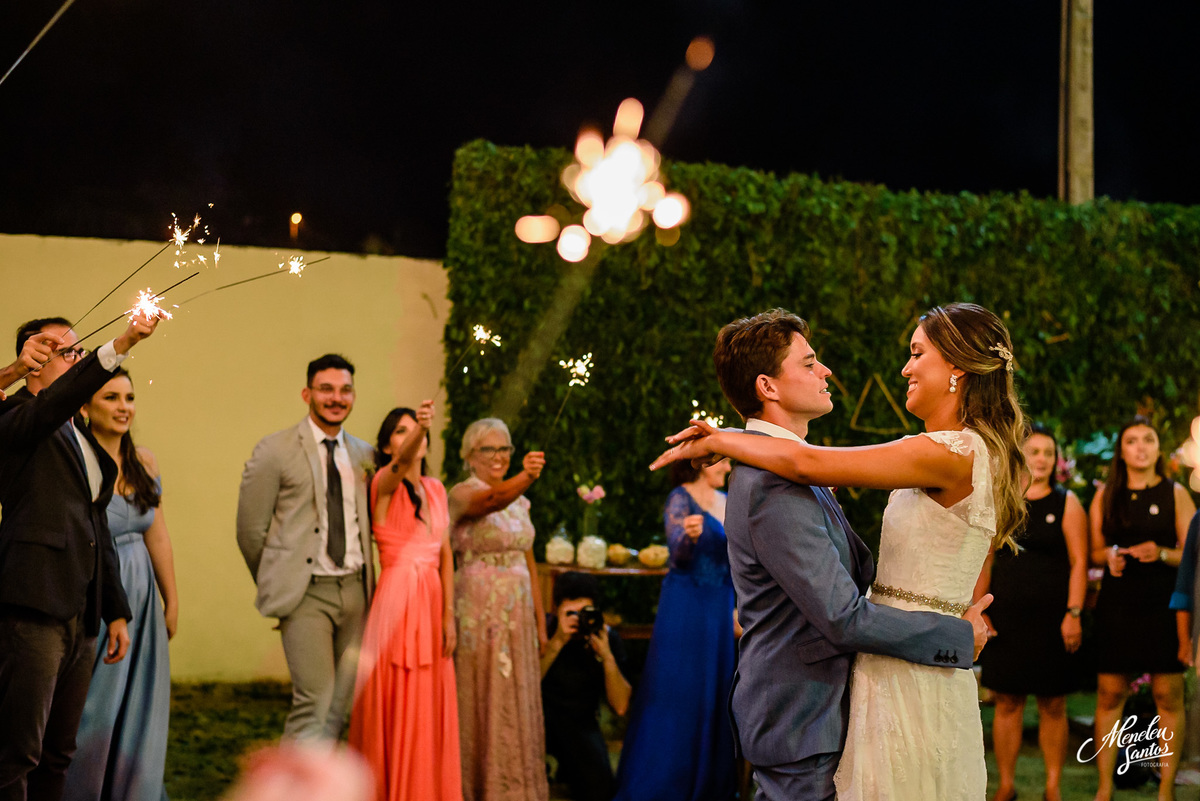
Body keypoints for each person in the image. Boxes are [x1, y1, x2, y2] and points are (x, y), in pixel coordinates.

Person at [651, 304, 1019, 800]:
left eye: (916, 354)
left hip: (896, 673)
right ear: (768, 386)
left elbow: (806, 463)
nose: (905, 368)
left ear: (956, 367)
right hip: (819, 707)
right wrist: (954, 635)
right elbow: (841, 606)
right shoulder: (772, 483)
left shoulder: (947, 453)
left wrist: (729, 439)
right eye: (810, 362)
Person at [0, 312, 160, 801]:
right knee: (17, 753)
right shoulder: (17, 417)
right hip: (33, 607)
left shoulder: (83, 437)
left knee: (58, 753)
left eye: (79, 351)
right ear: (36, 360)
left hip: (81, 615)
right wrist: (123, 342)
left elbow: (97, 527)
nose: (78, 359)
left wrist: (115, 610)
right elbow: (50, 406)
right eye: (68, 352)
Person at [237, 354, 376, 741]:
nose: (336, 398)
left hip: (357, 591)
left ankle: (323, 775)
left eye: (345, 390)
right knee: (314, 701)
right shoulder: (274, 451)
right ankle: (293, 776)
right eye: (326, 389)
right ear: (307, 394)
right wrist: (280, 585)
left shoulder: (365, 455)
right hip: (306, 594)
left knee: (340, 705)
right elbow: (250, 531)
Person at [62, 369, 178, 801]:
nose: (124, 407)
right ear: (85, 407)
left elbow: (157, 534)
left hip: (142, 595)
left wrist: (171, 599)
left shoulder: (144, 462)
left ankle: (134, 790)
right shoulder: (78, 463)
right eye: (111, 397)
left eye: (129, 397)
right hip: (99, 593)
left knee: (142, 700)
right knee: (94, 703)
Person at [348, 401, 461, 801]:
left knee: (430, 702)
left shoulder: (436, 490)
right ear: (386, 446)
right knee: (397, 699)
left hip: (432, 604)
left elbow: (446, 556)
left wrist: (449, 615)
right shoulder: (383, 484)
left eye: (416, 430)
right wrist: (422, 429)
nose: (412, 436)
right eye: (401, 431)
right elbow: (399, 466)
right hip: (396, 605)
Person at [976, 423, 1087, 801]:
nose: (1042, 459)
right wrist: (980, 609)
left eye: (1049, 453)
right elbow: (985, 558)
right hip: (1006, 620)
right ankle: (1006, 785)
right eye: (1035, 451)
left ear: (1057, 460)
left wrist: (1074, 613)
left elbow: (1079, 562)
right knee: (1007, 701)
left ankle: (1052, 786)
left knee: (1053, 703)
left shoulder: (1067, 503)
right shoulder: (1003, 499)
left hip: (1053, 621)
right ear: (1021, 455)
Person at [614, 460, 736, 801]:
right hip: (685, 604)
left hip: (720, 605)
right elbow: (678, 556)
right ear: (704, 463)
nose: (728, 467)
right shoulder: (680, 498)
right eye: (723, 460)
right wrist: (687, 538)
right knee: (677, 686)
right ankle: (664, 779)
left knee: (713, 687)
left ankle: (708, 782)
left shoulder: (728, 500)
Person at [1087, 416, 1195, 801]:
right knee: (1108, 693)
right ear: (1121, 450)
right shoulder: (1106, 494)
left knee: (1168, 695)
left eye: (1148, 439)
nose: (1141, 447)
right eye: (1132, 441)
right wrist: (1109, 555)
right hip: (1118, 604)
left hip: (1164, 605)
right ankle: (1104, 788)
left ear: (1159, 448)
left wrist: (1162, 552)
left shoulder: (1175, 493)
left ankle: (1166, 790)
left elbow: (1192, 553)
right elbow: (1093, 550)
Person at [449, 418, 548, 801]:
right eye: (487, 449)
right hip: (480, 613)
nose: (498, 456)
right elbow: (490, 501)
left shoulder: (520, 501)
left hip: (518, 614)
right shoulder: (461, 493)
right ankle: (477, 788)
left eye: (504, 448)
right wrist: (526, 475)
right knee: (483, 695)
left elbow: (529, 561)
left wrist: (540, 622)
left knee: (516, 693)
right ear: (469, 455)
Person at [540, 572, 631, 801]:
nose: (578, 619)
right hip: (541, 720)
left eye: (584, 612)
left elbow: (620, 706)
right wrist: (557, 642)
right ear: (556, 610)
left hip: (581, 723)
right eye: (571, 613)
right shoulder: (546, 630)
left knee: (601, 789)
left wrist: (606, 656)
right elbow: (525, 689)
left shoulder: (605, 637)